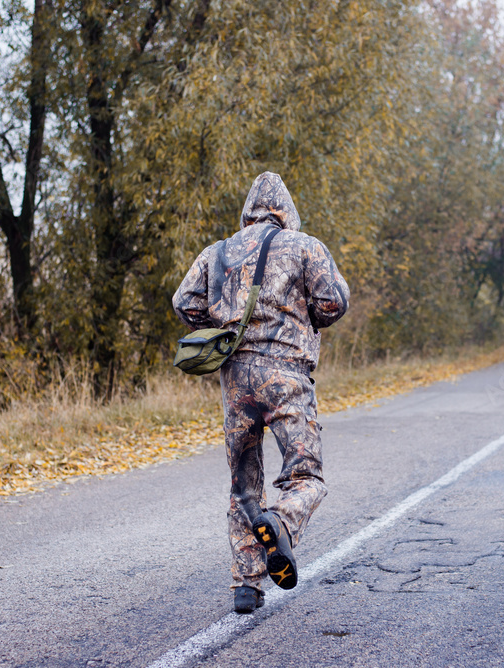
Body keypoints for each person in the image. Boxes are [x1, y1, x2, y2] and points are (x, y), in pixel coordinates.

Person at [172, 171, 350, 614]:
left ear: (248, 209)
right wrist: (302, 317)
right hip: (286, 376)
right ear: (285, 209)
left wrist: (222, 325)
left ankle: (246, 587)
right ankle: (282, 523)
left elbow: (184, 302)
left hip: (235, 382)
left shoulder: (217, 253)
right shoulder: (305, 246)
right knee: (306, 476)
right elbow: (335, 302)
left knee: (243, 486)